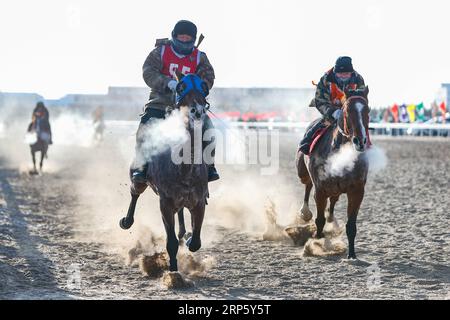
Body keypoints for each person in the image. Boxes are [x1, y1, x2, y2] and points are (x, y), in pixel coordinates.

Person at [131, 20, 218, 183]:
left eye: (188, 38)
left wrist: (199, 87)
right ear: (175, 36)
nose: (184, 40)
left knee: (209, 129)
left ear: (192, 39)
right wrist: (168, 83)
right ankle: (141, 167)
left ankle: (210, 166)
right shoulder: (161, 51)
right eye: (181, 37)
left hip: (188, 105)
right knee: (145, 127)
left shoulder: (200, 57)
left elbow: (209, 78)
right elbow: (148, 72)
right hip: (160, 102)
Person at [299, 56, 366, 155]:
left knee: (361, 128)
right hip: (330, 110)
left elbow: (361, 99)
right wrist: (333, 112)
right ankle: (305, 143)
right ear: (335, 72)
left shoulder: (358, 79)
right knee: (320, 124)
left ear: (351, 72)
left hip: (350, 113)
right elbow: (319, 100)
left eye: (346, 74)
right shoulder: (326, 79)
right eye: (340, 74)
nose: (343, 76)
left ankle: (366, 147)